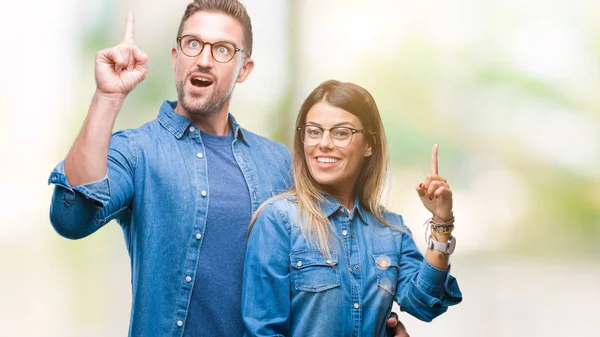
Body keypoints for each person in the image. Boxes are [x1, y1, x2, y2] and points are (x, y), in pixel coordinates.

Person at [47, 1, 410, 336]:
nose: (203, 59)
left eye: (222, 50)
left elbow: (333, 261)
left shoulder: (277, 161)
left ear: (244, 69)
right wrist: (108, 97)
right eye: (193, 44)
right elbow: (71, 218)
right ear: (176, 57)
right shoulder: (139, 150)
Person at [242, 80, 463, 336]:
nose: (323, 143)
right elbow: (263, 331)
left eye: (340, 133)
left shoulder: (390, 231)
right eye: (314, 131)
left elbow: (425, 304)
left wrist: (442, 221)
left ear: (369, 144)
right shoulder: (279, 220)